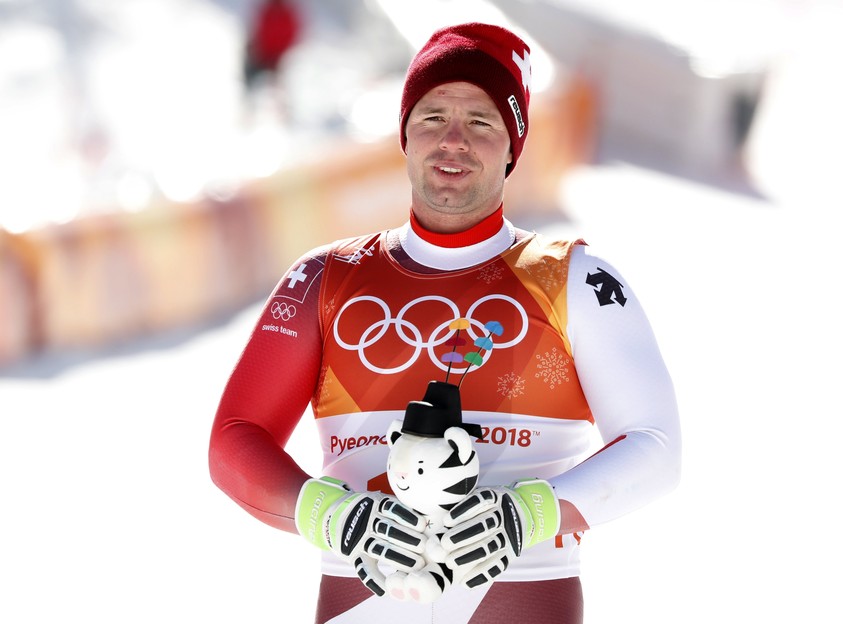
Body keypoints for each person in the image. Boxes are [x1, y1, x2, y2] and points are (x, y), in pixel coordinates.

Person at [209, 22, 681, 624]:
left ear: (514, 145)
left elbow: (656, 448)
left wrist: (526, 514)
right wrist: (333, 514)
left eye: (481, 122)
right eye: (432, 117)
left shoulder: (575, 279)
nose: (451, 140)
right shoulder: (324, 277)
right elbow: (235, 438)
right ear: (404, 133)